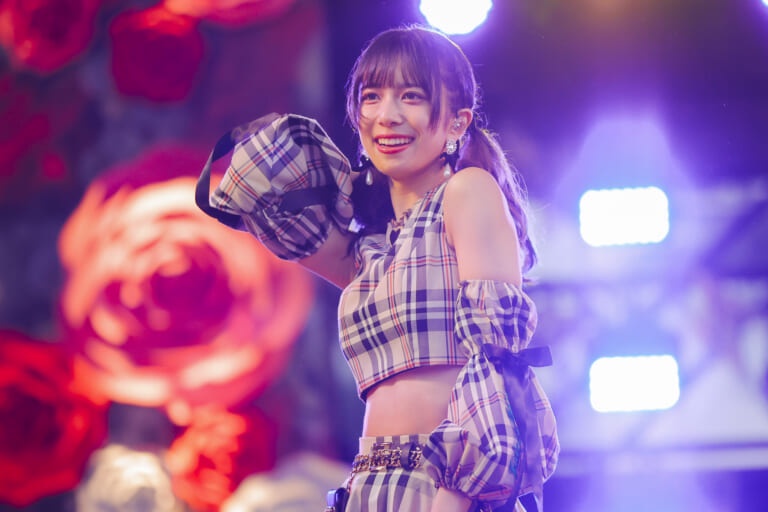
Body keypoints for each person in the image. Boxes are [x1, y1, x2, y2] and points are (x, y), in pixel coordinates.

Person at [198, 24, 558, 512]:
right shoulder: (373, 249)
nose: (387, 115)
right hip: (368, 487)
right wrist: (341, 179)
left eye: (411, 96)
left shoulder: (466, 191)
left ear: (458, 123)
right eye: (371, 97)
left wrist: (454, 499)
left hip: (447, 485)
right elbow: (254, 194)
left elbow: (498, 357)